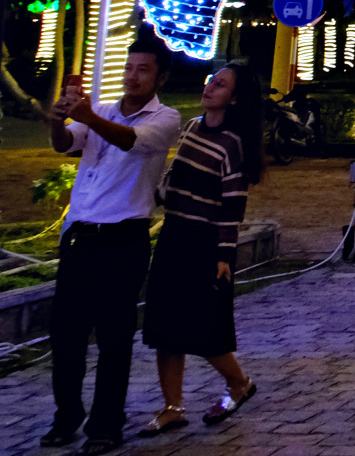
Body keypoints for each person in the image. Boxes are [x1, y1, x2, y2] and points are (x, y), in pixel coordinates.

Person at [45, 37, 183, 454]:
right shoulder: (102, 109)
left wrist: (86, 114)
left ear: (160, 77)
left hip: (124, 239)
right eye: (129, 67)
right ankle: (67, 415)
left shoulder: (166, 117)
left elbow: (131, 141)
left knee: (113, 337)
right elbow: (66, 144)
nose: (133, 75)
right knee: (65, 336)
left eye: (143, 69)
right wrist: (58, 120)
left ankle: (106, 424)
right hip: (80, 236)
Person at [140, 63, 265, 432]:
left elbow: (232, 208)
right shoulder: (192, 128)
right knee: (163, 327)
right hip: (173, 235)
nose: (210, 87)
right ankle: (172, 407)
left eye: (221, 85)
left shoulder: (233, 146)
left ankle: (239, 383)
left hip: (205, 244)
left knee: (203, 329)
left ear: (235, 98)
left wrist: (224, 256)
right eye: (212, 81)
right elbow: (171, 179)